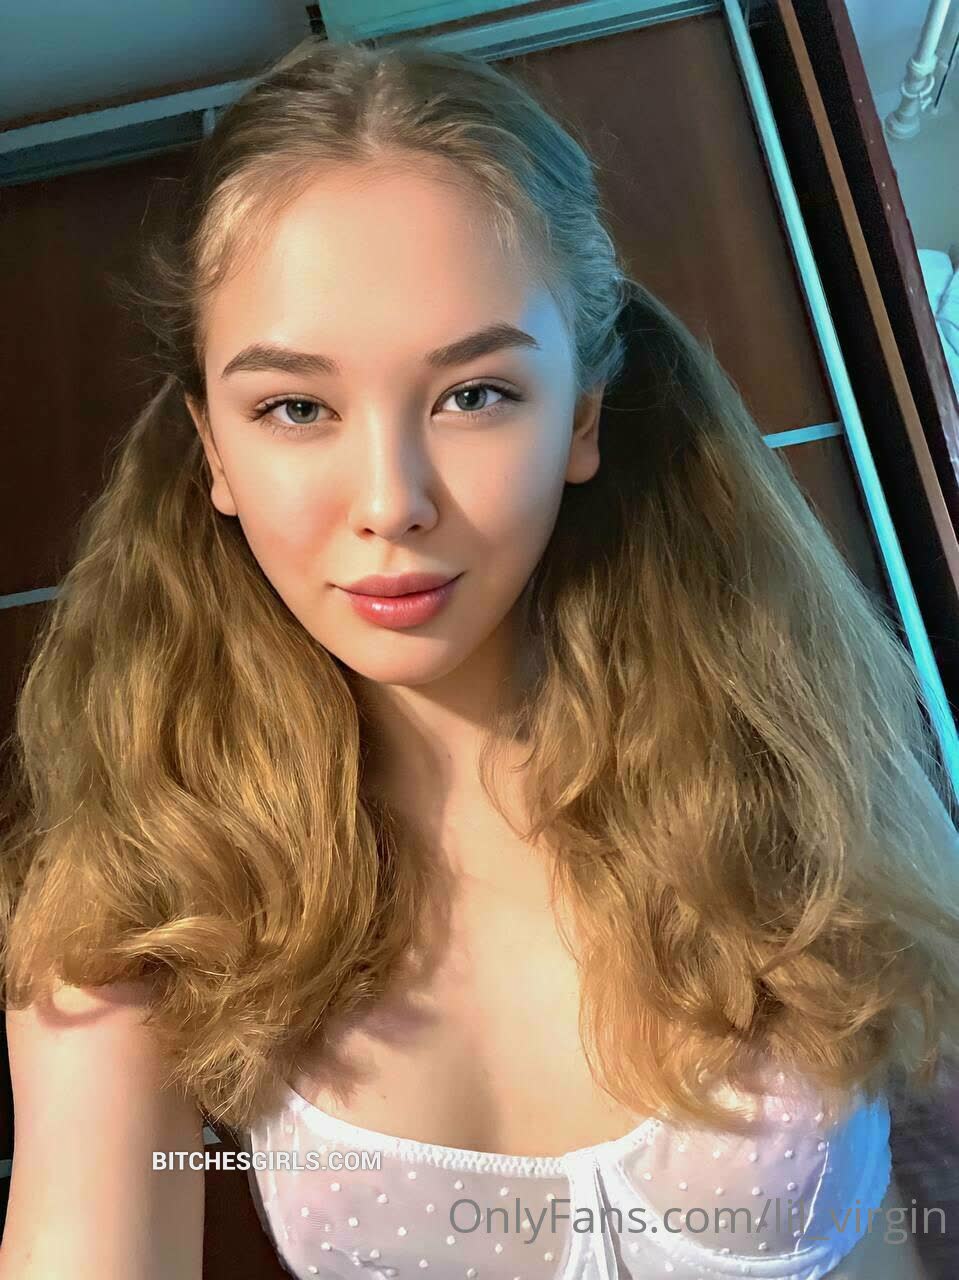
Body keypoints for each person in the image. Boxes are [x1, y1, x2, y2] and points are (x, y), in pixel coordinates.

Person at [1, 37, 957, 1280]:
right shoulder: (148, 896)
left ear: (583, 413)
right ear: (214, 451)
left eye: (474, 394)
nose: (390, 501)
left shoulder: (796, 765)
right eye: (296, 407)